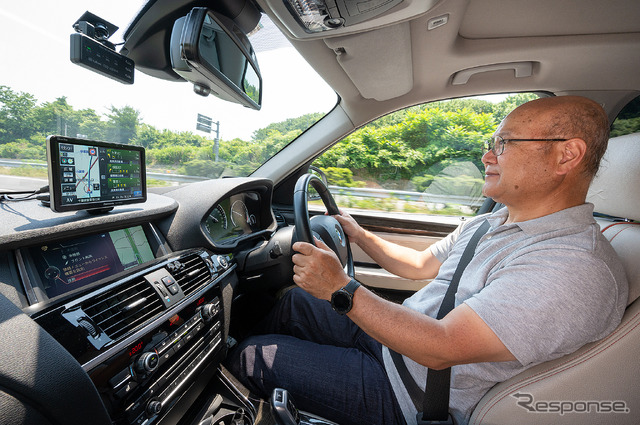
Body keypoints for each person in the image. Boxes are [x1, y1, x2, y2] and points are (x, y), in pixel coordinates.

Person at [227, 96, 628, 425]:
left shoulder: (572, 267)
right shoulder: (491, 222)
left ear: (567, 155)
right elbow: (420, 266)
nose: (488, 156)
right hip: (397, 345)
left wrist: (338, 287)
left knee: (253, 355)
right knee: (298, 302)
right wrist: (359, 234)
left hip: (413, 392)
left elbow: (442, 348)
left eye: (504, 143)